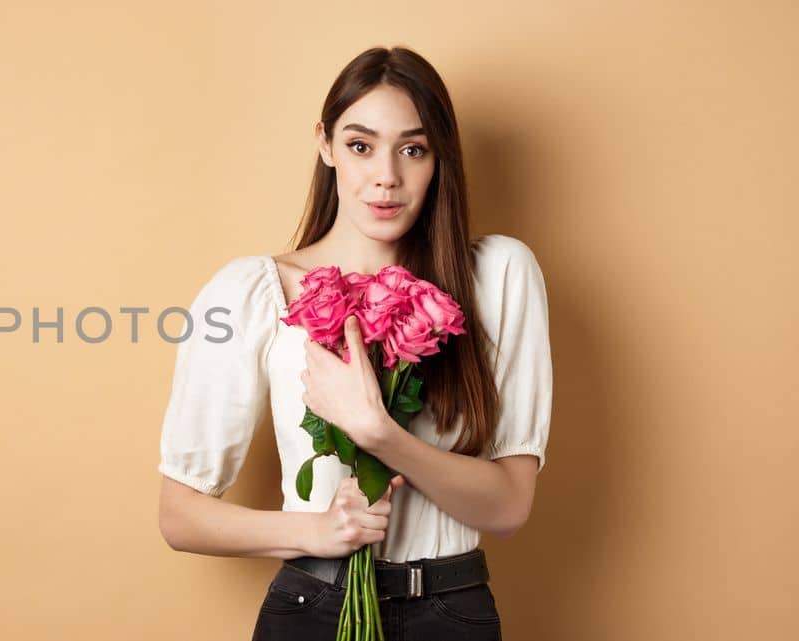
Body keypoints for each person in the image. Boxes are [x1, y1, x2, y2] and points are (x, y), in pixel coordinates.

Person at [155, 46, 552, 641]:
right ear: (326, 145)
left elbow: (507, 509)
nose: (386, 176)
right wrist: (315, 531)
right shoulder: (251, 291)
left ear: (439, 157)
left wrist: (378, 434)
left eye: (412, 150)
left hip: (451, 612)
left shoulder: (497, 276)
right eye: (360, 145)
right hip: (312, 605)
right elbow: (179, 516)